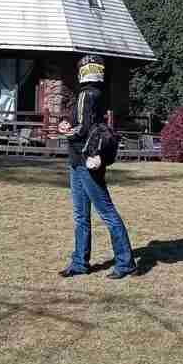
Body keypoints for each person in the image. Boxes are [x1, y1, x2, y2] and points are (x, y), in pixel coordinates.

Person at [57, 54, 136, 279]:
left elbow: (82, 130)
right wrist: (68, 122)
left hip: (84, 161)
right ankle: (80, 263)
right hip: (82, 160)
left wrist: (65, 131)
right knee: (84, 215)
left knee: (102, 212)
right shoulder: (99, 93)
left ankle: (125, 262)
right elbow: (87, 122)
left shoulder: (86, 94)